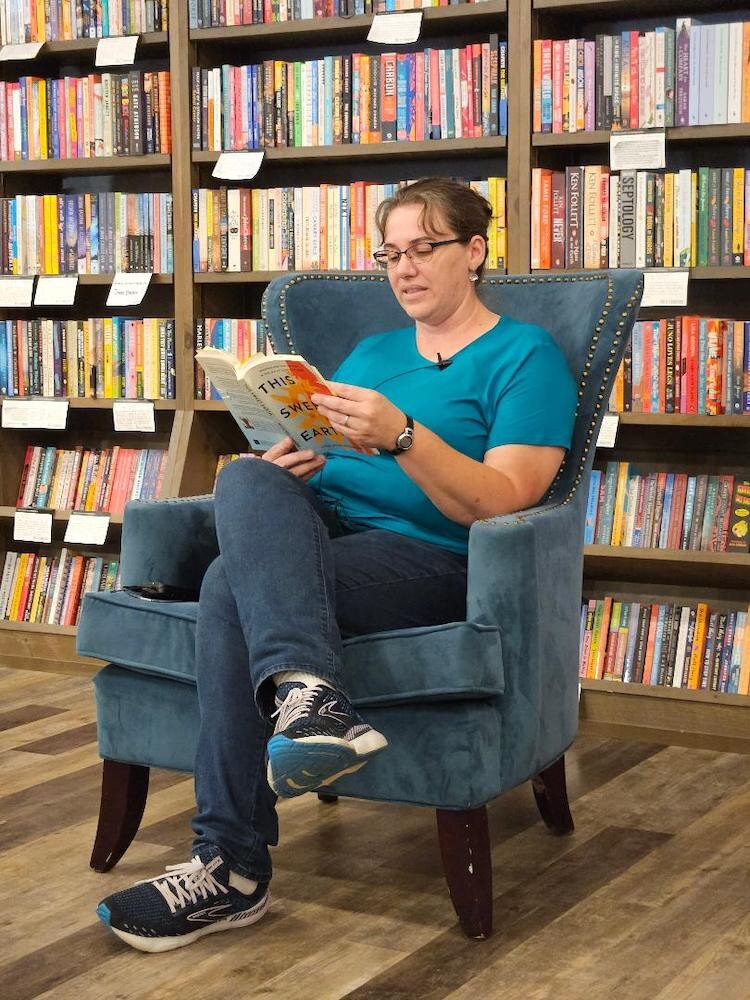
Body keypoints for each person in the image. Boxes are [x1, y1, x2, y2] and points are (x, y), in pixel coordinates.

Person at [95, 177, 577, 953]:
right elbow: (326, 453)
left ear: (475, 251)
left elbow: (504, 501)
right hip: (326, 535)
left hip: (435, 558)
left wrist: (404, 436)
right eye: (392, 253)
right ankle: (310, 699)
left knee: (226, 586)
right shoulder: (372, 352)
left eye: (425, 249)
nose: (405, 269)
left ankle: (230, 865)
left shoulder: (525, 356)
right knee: (249, 476)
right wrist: (294, 457)